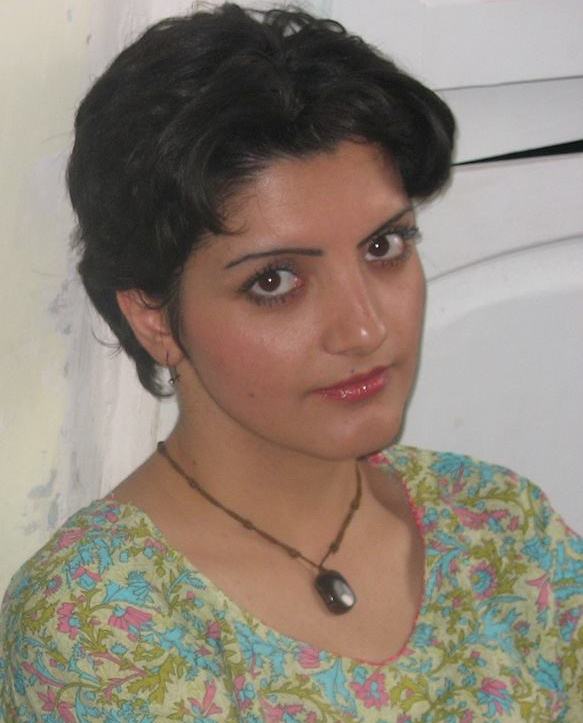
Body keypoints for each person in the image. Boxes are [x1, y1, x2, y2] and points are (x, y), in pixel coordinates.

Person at [0, 3, 581, 720]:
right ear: (155, 316)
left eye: (384, 247)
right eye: (275, 281)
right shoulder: (103, 621)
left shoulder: (497, 525)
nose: (364, 328)